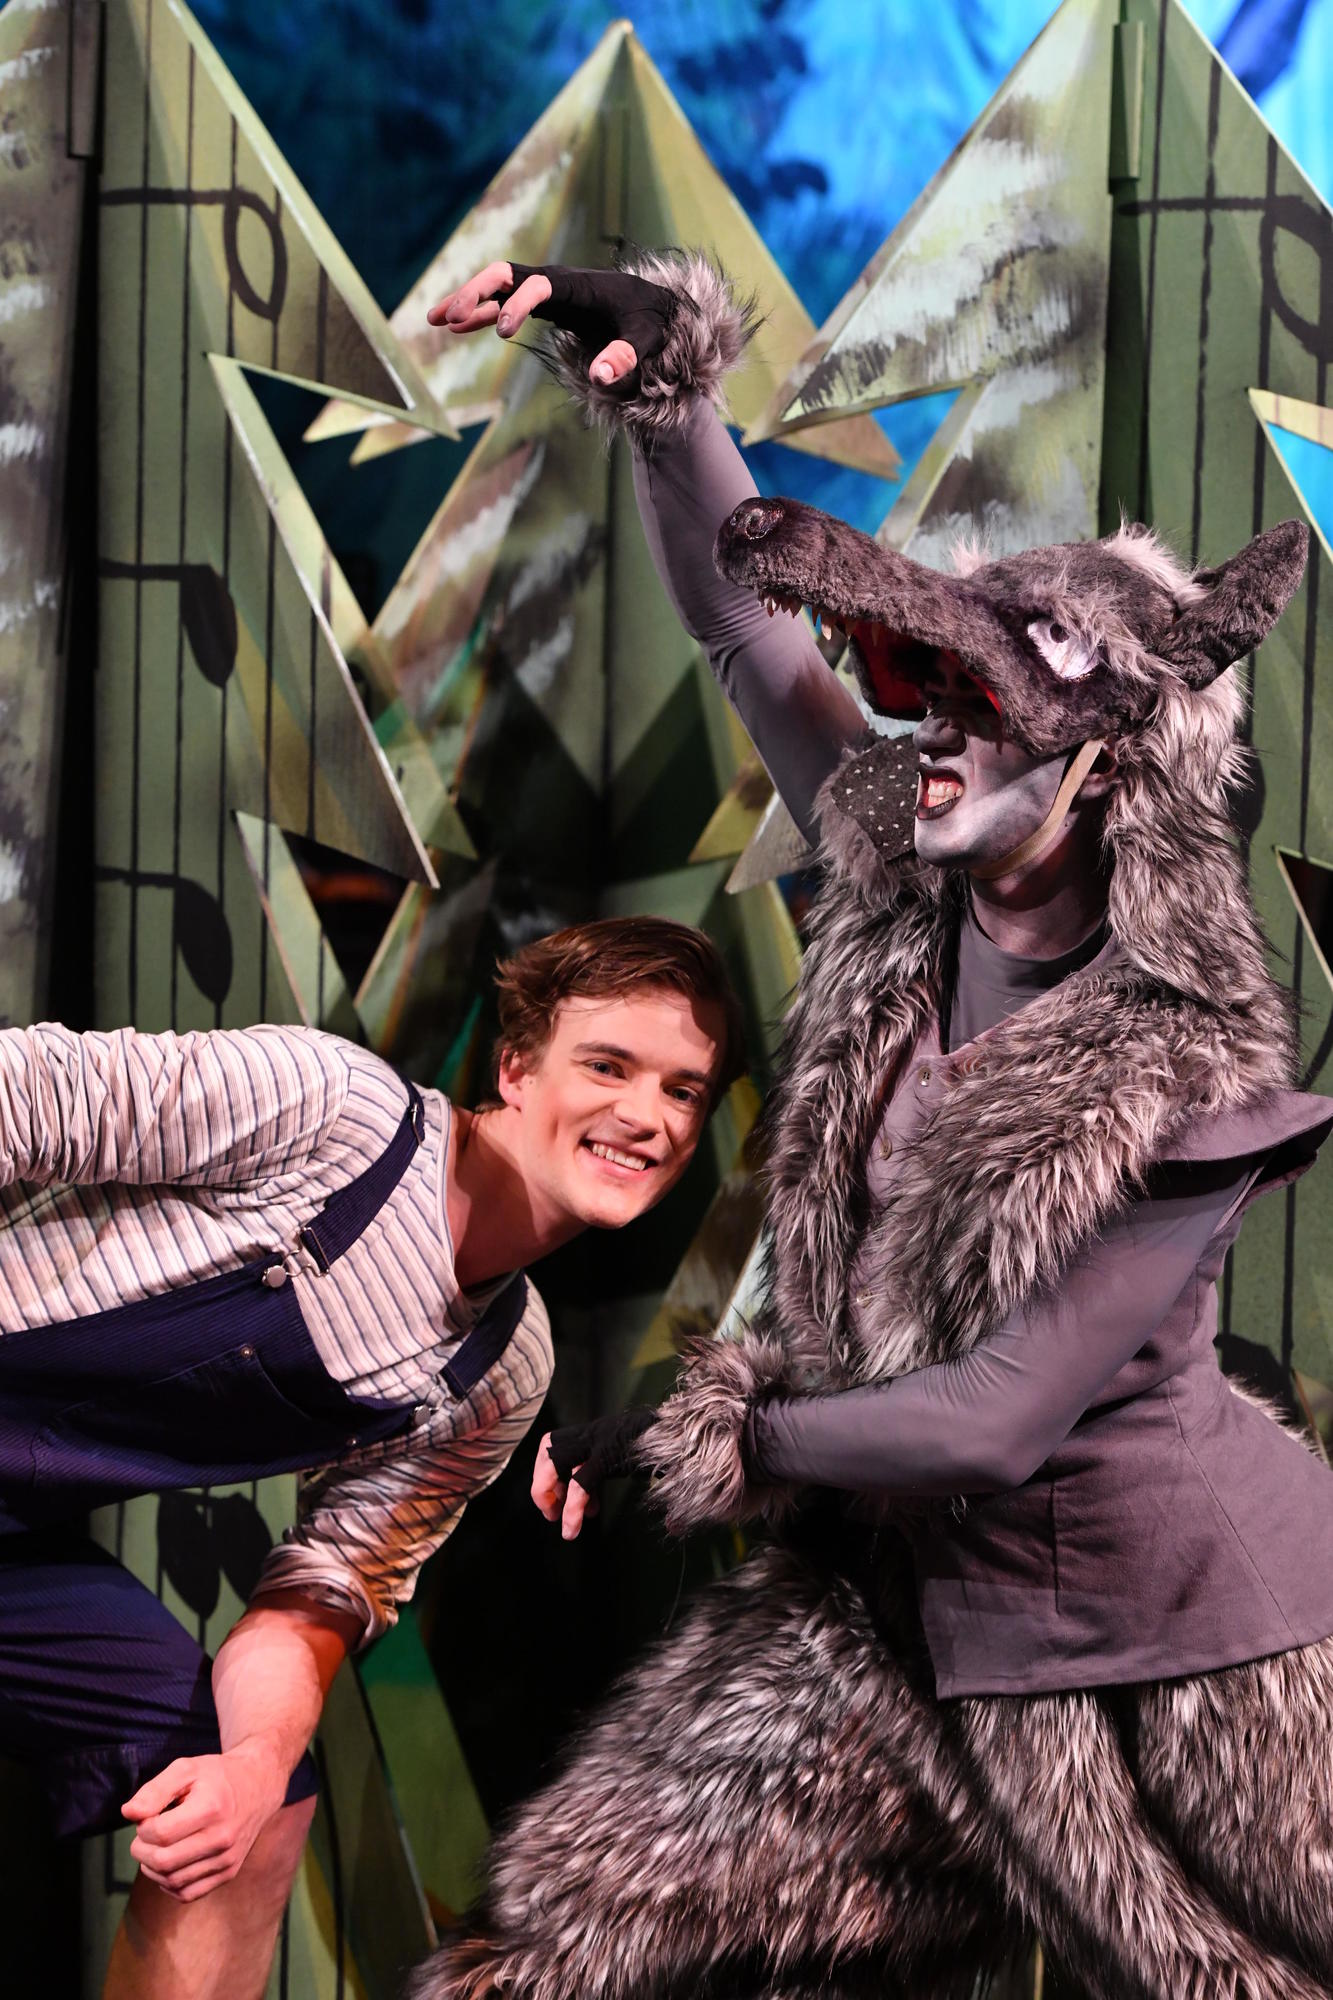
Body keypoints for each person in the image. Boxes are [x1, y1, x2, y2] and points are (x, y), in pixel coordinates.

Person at [411, 258, 1333, 2000]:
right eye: (929, 686)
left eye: (981, 702)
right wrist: (669, 396)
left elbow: (998, 1418)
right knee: (555, 1953)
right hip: (894, 1613)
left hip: (1183, 1650)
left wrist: (705, 1435)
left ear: (1110, 774)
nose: (929, 731)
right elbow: (746, 631)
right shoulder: (901, 878)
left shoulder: (1182, 1057)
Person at [0, 913, 744, 2000]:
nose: (646, 1115)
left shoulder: (500, 1368)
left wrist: (251, 1763)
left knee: (256, 1801)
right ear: (516, 1067)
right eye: (607, 1065)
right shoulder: (335, 1112)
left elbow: (324, 1589)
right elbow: (26, 1095)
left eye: (683, 1090)